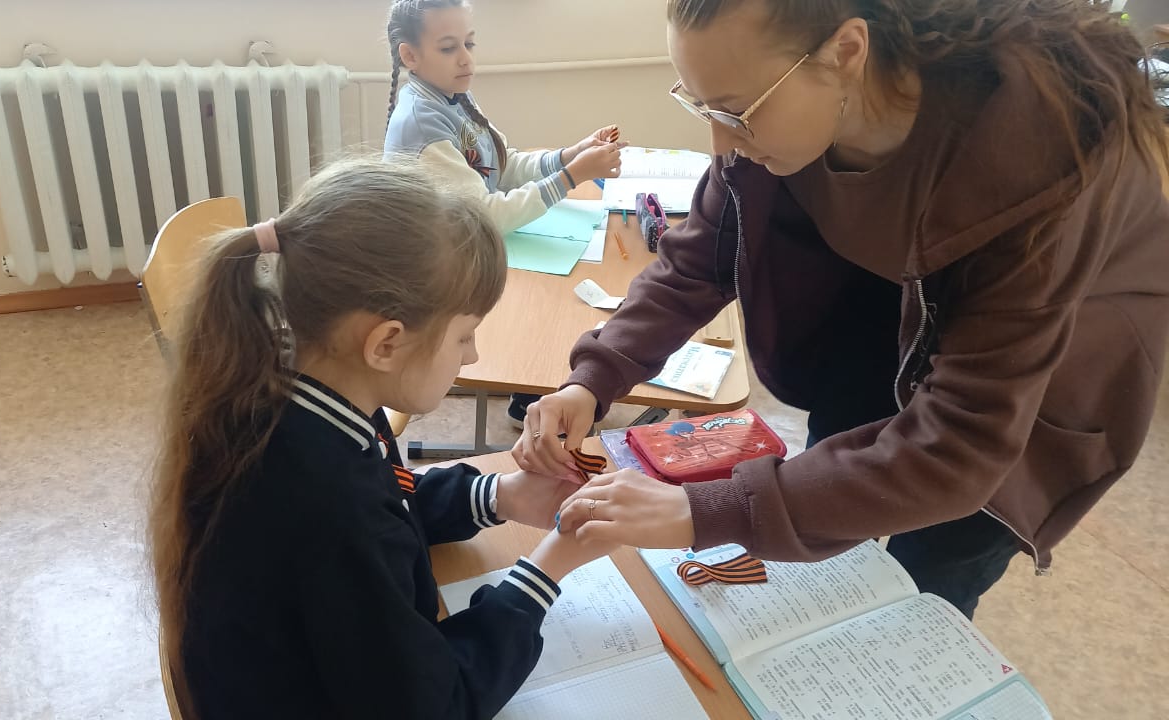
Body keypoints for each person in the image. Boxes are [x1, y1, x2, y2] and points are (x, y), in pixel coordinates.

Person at [516, 0, 1169, 619]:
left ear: (847, 51)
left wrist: (706, 510)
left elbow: (960, 448)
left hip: (1034, 384)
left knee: (929, 578)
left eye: (736, 111)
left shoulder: (1045, 159)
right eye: (702, 106)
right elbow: (700, 259)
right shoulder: (775, 117)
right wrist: (593, 377)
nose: (721, 142)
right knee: (832, 517)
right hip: (884, 320)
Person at [148, 158, 610, 719]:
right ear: (386, 344)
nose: (472, 356)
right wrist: (548, 567)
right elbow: (434, 707)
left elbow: (387, 497)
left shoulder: (294, 395)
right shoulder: (330, 505)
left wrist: (500, 495)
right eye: (464, 336)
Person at [383, 0, 625, 429]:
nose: (465, 58)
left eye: (469, 43)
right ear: (410, 56)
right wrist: (572, 176)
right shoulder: (423, 123)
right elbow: (489, 216)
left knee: (576, 282)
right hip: (443, 276)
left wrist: (570, 156)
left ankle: (532, 390)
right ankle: (535, 388)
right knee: (556, 300)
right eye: (448, 47)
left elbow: (502, 166)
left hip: (470, 252)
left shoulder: (452, 97)